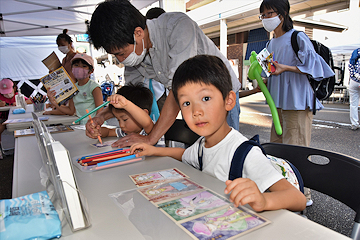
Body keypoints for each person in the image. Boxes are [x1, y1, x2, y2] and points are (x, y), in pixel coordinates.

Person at [129, 55, 306, 212]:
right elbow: (184, 154)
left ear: (229, 101)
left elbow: (298, 199)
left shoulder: (245, 153)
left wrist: (264, 200)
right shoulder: (201, 145)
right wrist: (153, 150)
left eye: (205, 98)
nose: (196, 111)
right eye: (186, 103)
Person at [86, 0, 241, 148]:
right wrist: (101, 117)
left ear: (138, 33)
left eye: (121, 53)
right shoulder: (135, 52)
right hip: (191, 103)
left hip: (220, 98)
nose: (121, 59)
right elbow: (129, 98)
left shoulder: (178, 27)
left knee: (223, 153)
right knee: (197, 153)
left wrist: (150, 138)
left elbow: (180, 89)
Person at [259, 0, 334, 206]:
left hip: (297, 101)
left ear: (282, 14)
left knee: (297, 148)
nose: (265, 19)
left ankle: (303, 195)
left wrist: (285, 67)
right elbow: (271, 71)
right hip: (278, 103)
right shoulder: (270, 43)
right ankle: (283, 190)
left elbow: (315, 67)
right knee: (277, 149)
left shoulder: (297, 37)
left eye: (269, 14)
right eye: (262, 15)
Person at [43, 53, 104, 124]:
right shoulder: (73, 87)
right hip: (79, 125)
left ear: (91, 71)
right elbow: (70, 111)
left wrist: (96, 124)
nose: (79, 69)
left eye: (84, 66)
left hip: (93, 125)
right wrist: (54, 102)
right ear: (72, 68)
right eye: (76, 65)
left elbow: (100, 110)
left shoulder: (94, 87)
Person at [0, 78, 32, 144]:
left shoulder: (18, 95)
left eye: (9, 92)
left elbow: (30, 101)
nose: (7, 94)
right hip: (2, 119)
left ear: (14, 88)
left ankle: (25, 143)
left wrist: (21, 102)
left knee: (24, 126)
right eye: (4, 93)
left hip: (17, 118)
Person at [348, 48, 360, 130]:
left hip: (354, 81)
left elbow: (350, 65)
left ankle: (354, 123)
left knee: (353, 104)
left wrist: (355, 76)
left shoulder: (356, 52)